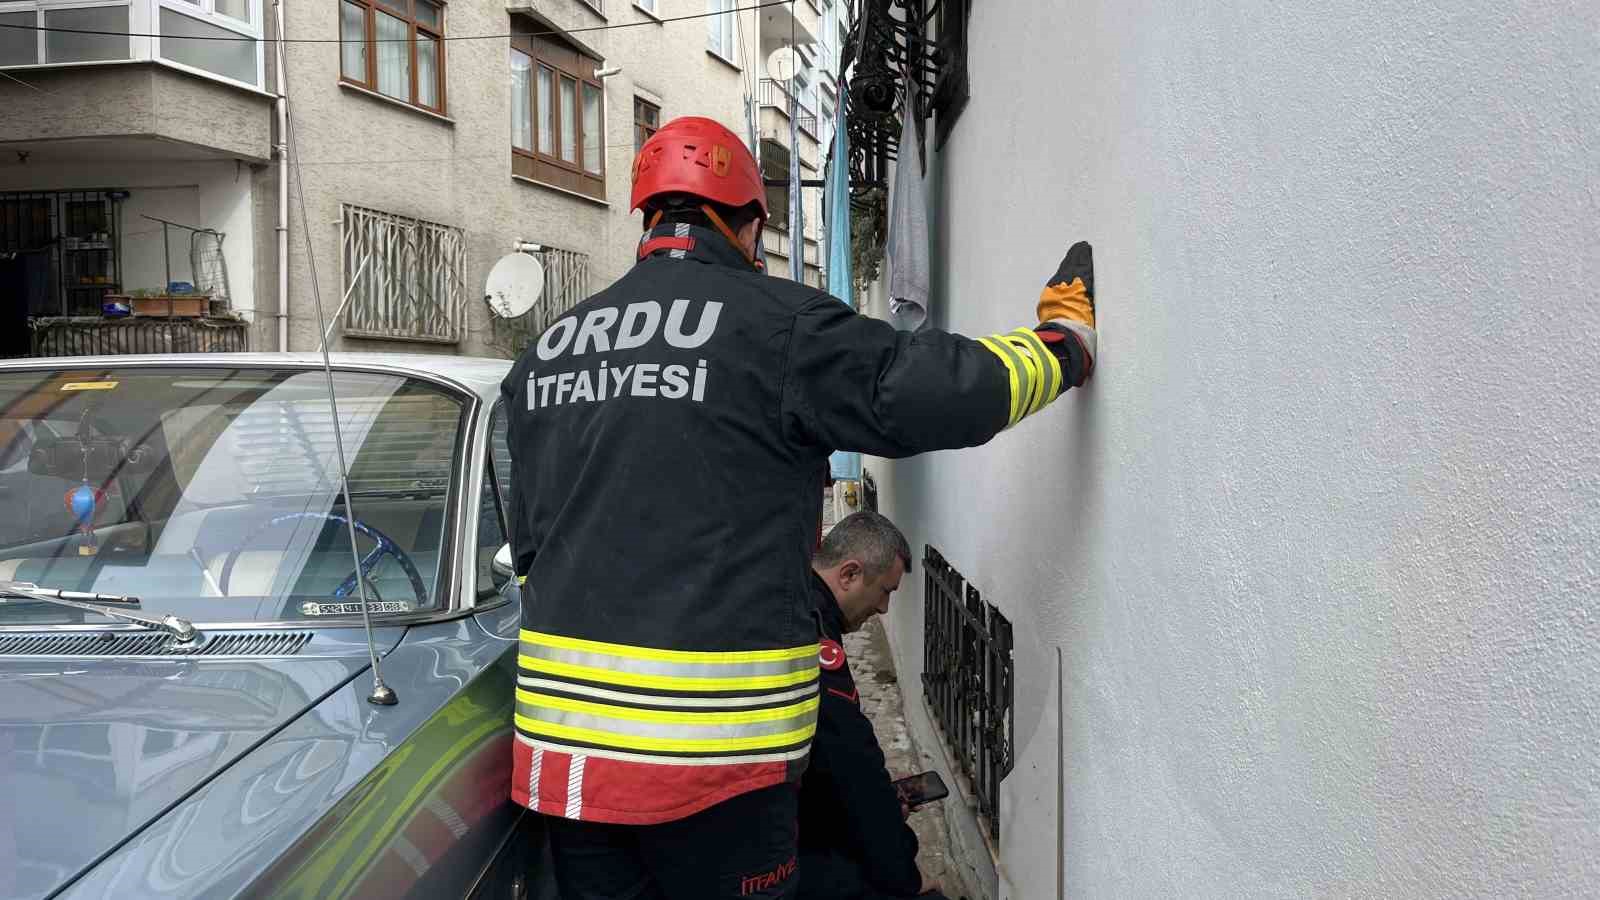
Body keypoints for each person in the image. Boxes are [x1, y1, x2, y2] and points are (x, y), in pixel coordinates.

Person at [500, 115, 1098, 899]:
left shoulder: (543, 355)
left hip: (568, 765)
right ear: (748, 223)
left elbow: (530, 548)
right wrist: (1061, 347)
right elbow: (933, 392)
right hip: (717, 766)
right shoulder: (776, 325)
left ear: (647, 216)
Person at [800, 512, 949, 900]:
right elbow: (853, 768)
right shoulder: (813, 636)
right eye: (885, 591)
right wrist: (905, 876)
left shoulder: (798, 599)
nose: (884, 608)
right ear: (849, 574)